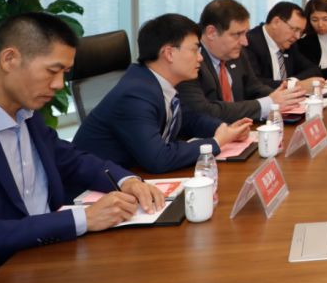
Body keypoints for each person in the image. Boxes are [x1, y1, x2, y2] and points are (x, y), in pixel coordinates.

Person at [0, 13, 166, 265]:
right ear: (9, 59)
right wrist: (83, 219)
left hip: (55, 257)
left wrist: (126, 181)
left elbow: (72, 160)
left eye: (65, 73)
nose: (59, 84)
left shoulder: (28, 117)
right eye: (52, 71)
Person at [74, 14, 251, 174]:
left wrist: (222, 129)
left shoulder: (156, 83)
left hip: (134, 176)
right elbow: (159, 159)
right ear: (169, 53)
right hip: (96, 189)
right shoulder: (135, 95)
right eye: (194, 50)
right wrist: (216, 142)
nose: (200, 57)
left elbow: (189, 118)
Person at [177, 0, 305, 123]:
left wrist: (285, 97)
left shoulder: (235, 52)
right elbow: (206, 112)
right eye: (237, 34)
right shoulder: (189, 61)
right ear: (211, 33)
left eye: (245, 33)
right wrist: (268, 103)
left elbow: (253, 88)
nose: (245, 42)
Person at [244, 2, 324, 90]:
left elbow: (313, 69)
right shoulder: (248, 43)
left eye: (301, 32)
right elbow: (254, 83)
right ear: (276, 22)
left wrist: (292, 82)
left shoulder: (289, 44)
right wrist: (293, 85)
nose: (297, 36)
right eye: (295, 29)